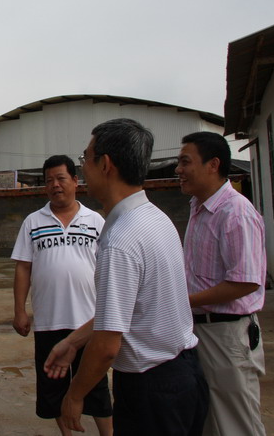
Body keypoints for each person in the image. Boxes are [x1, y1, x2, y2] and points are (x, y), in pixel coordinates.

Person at [45, 118, 209, 436]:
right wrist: (73, 341)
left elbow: (107, 345)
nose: (83, 167)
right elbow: (128, 310)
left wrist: (75, 395)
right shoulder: (156, 218)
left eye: (85, 157)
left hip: (152, 389)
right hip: (184, 373)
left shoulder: (121, 240)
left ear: (105, 164)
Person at [12, 155, 112, 436]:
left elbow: (108, 267)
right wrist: (19, 310)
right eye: (49, 181)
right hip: (49, 322)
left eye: (61, 179)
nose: (55, 185)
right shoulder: (33, 222)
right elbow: (23, 268)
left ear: (75, 181)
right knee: (53, 389)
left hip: (88, 322)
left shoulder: (95, 221)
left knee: (96, 387)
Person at [176, 132, 267, 436]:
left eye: (185, 162)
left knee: (236, 424)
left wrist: (183, 300)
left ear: (213, 164)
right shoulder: (198, 206)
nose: (178, 169)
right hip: (201, 330)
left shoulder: (235, 212)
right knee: (210, 421)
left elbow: (245, 282)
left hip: (226, 335)